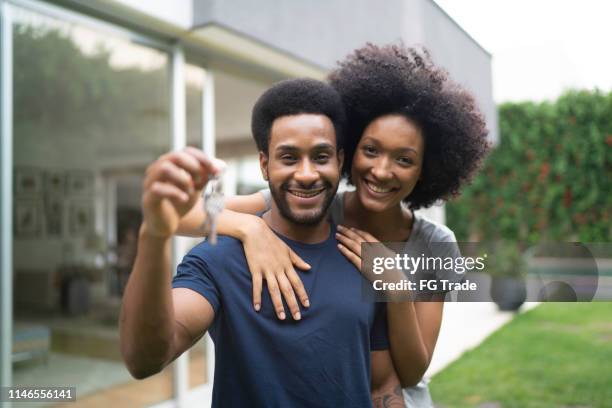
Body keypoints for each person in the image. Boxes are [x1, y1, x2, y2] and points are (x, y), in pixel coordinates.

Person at [174, 44, 489, 407]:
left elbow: (414, 372)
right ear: (348, 151)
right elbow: (184, 213)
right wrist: (250, 228)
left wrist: (397, 289)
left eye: (404, 159)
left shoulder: (436, 244)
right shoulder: (311, 202)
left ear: (426, 169)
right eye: (371, 150)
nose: (382, 170)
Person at [119, 78, 405, 407]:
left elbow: (383, 383)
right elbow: (144, 359)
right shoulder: (218, 260)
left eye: (321, 156)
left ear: (340, 161)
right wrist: (154, 235)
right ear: (264, 164)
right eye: (289, 158)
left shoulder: (363, 256)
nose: (307, 173)